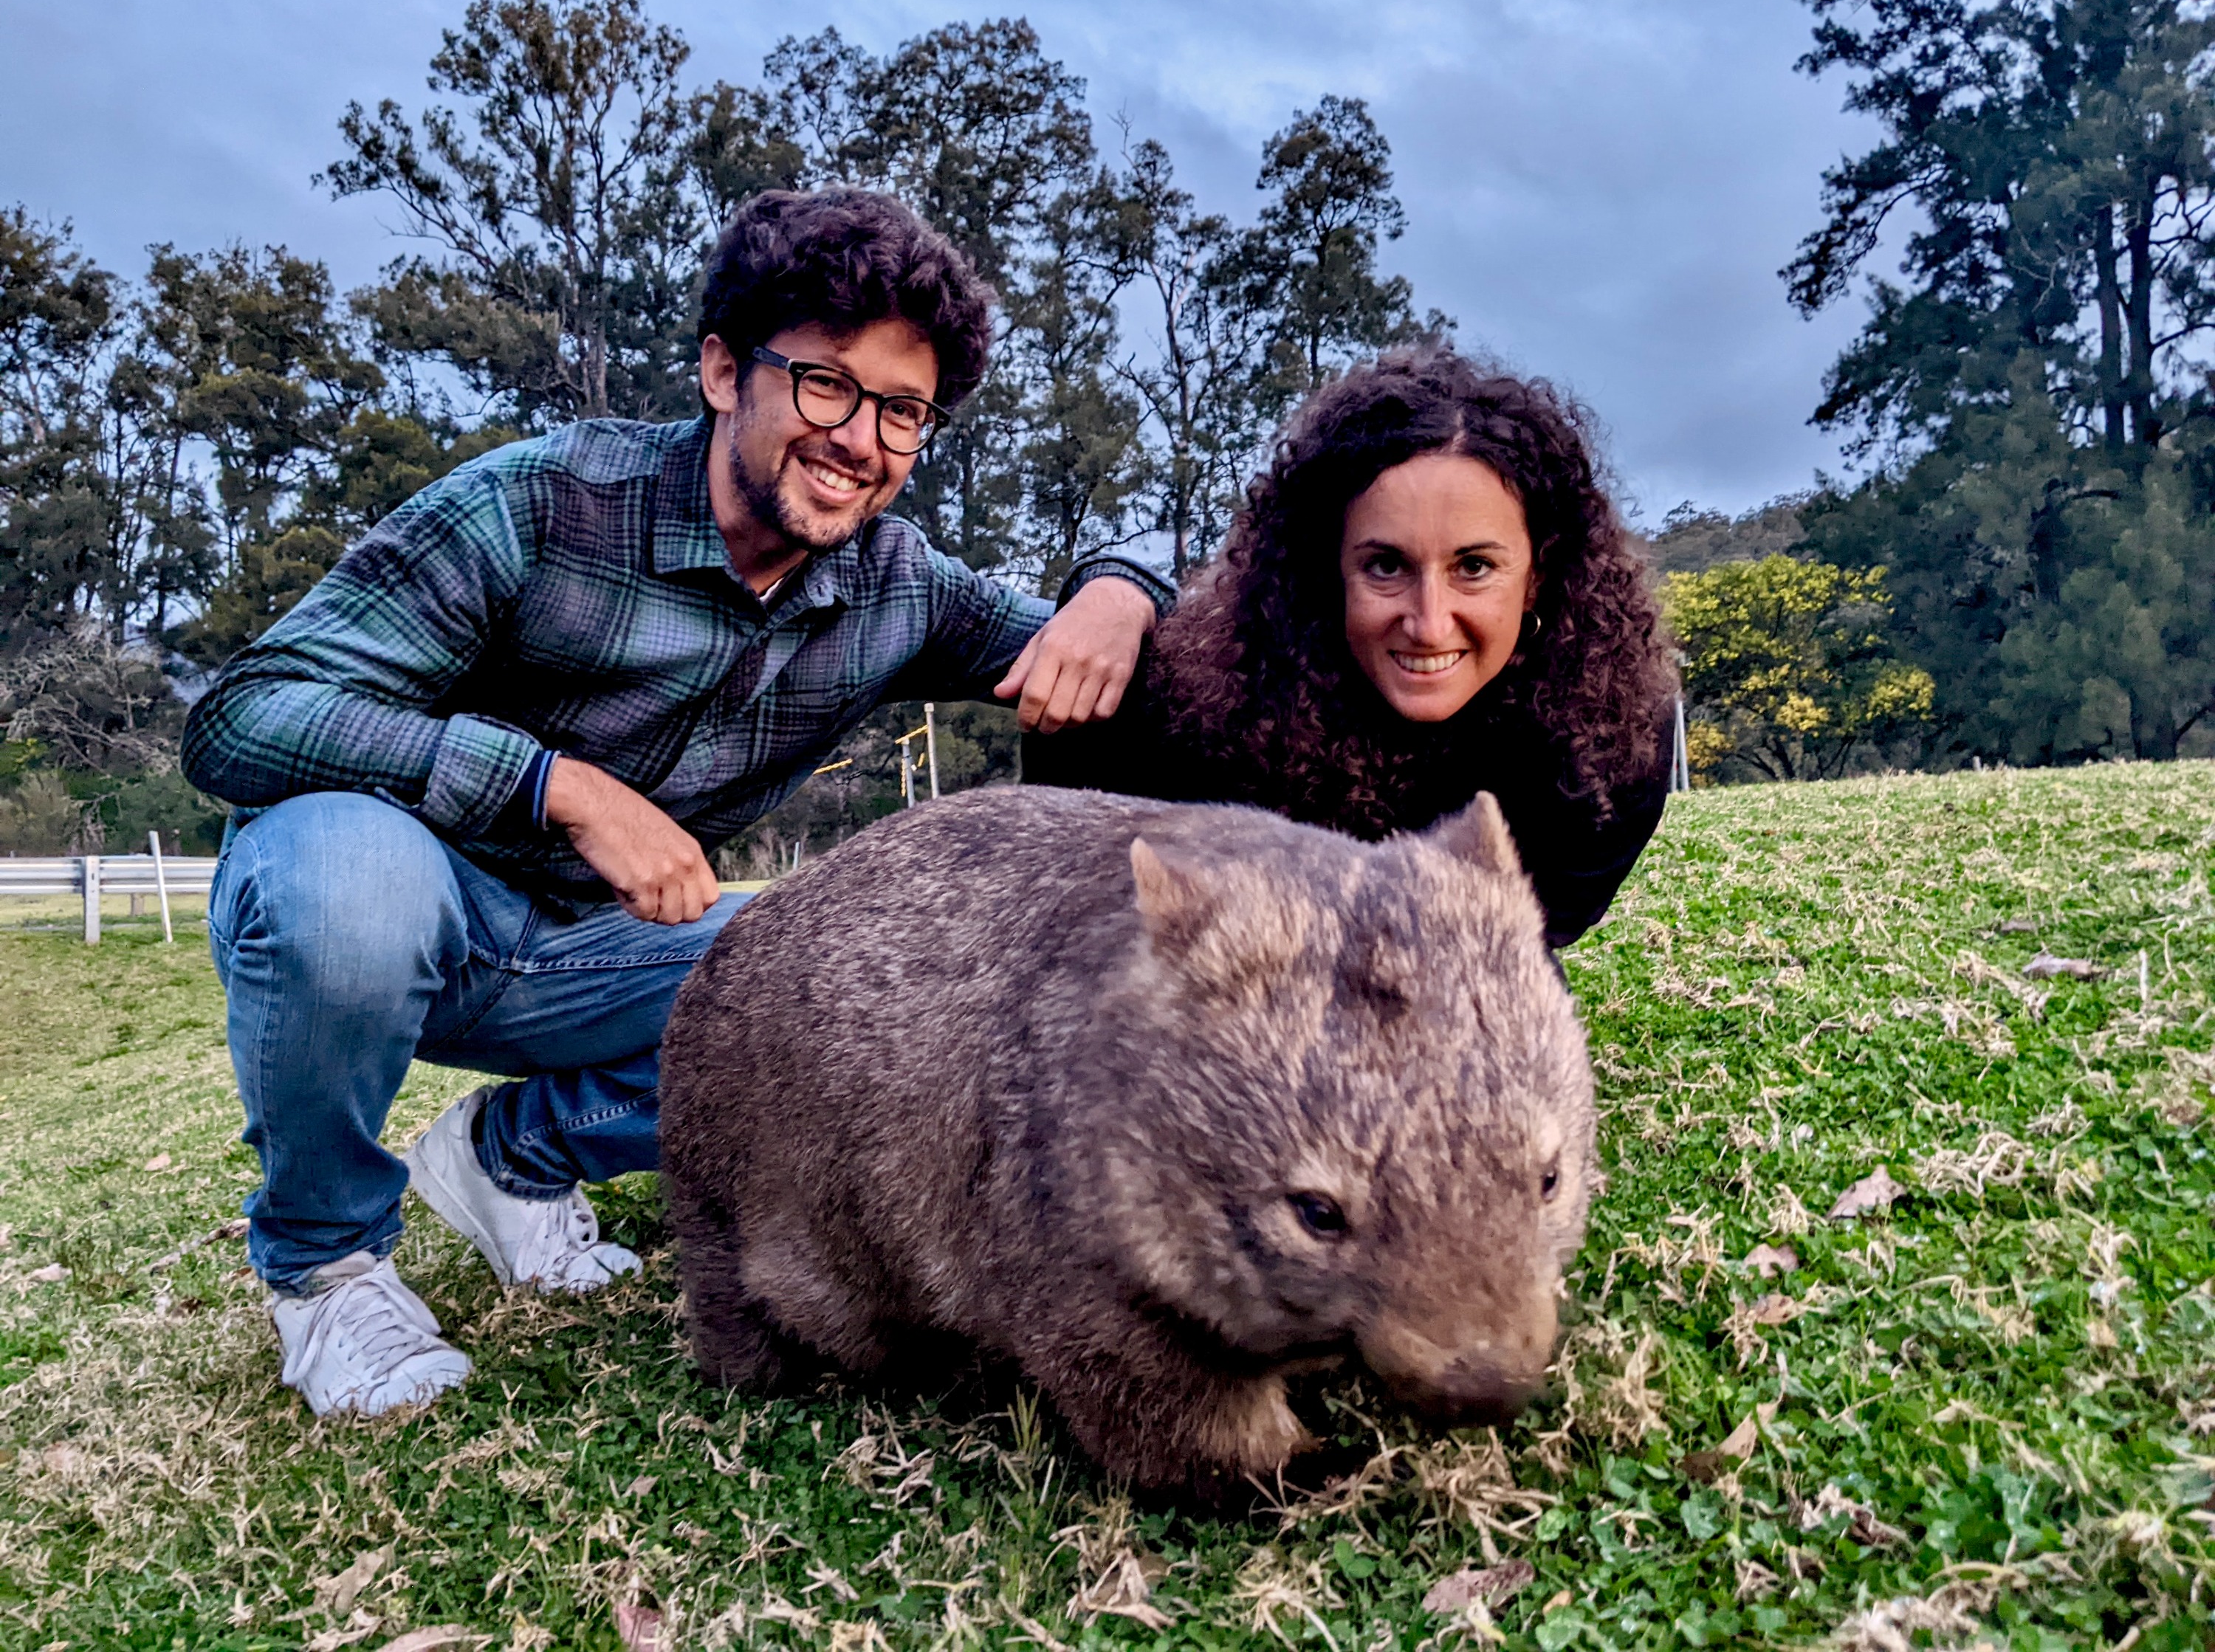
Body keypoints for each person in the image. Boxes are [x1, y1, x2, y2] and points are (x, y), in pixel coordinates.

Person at [180, 187, 1167, 1419]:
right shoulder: (534, 505)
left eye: (902, 412)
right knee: (346, 884)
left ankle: (516, 1157)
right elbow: (243, 716)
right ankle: (325, 1270)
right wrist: (557, 787)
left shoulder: (899, 589)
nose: (859, 438)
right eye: (825, 384)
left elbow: (1096, 650)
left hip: (607, 951)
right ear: (721, 372)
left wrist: (1124, 583)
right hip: (399, 901)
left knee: (842, 996)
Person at [1025, 344, 1677, 949]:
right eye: (1386, 566)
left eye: (1474, 566)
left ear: (1538, 576)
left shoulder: (1608, 740)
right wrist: (1110, 585)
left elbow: (1536, 934)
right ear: (1327, 569)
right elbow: (1078, 864)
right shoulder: (1218, 699)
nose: (1429, 623)